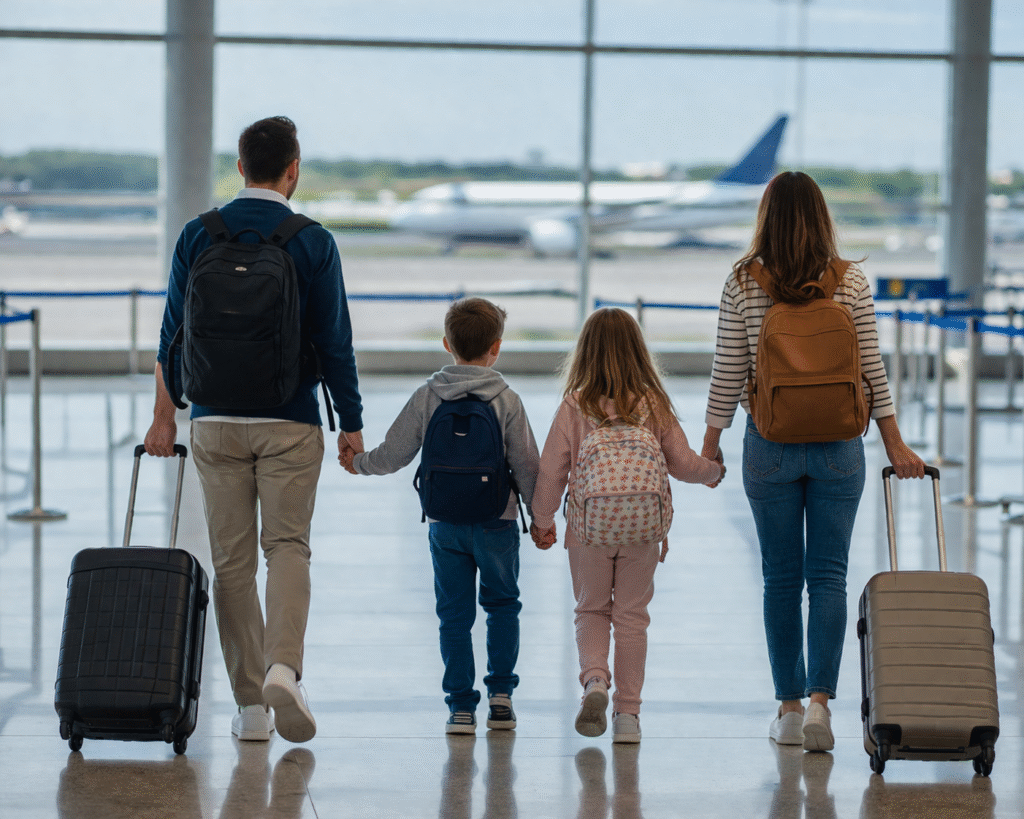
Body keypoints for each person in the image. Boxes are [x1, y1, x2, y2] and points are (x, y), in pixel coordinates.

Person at [144, 115, 364, 743]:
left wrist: (165, 415)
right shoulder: (312, 241)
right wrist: (350, 424)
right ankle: (283, 670)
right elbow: (335, 343)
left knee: (232, 561)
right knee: (287, 546)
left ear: (240, 167)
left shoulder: (199, 233)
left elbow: (171, 336)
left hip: (214, 421)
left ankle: (250, 709)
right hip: (290, 420)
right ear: (293, 170)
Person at [700, 170, 926, 752]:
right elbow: (870, 369)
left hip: (769, 443)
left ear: (766, 217)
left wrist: (710, 442)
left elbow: (728, 369)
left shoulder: (742, 281)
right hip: (839, 445)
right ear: (822, 217)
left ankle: (789, 708)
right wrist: (895, 442)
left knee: (780, 578)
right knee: (828, 576)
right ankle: (822, 705)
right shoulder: (850, 281)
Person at [339, 297, 540, 734]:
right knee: (502, 605)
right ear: (496, 348)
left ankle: (461, 708)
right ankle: (501, 698)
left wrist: (358, 463)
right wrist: (541, 519)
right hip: (497, 521)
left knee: (453, 615)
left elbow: (393, 454)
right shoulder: (507, 400)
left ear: (447, 344)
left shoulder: (428, 396)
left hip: (445, 521)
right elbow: (527, 466)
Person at [530, 307, 724, 744]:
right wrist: (714, 472)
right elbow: (683, 464)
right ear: (639, 351)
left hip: (588, 530)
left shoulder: (575, 404)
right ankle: (628, 718)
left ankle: (595, 681)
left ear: (585, 353)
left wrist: (542, 522)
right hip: (643, 528)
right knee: (632, 617)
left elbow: (551, 472)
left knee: (591, 609)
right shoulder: (652, 402)